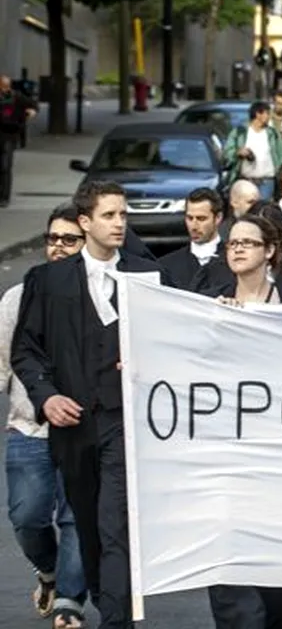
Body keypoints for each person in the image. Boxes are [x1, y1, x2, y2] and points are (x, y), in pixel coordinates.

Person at [11, 181, 171, 629]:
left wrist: (148, 356)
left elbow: (180, 336)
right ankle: (105, 596)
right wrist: (47, 396)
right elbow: (27, 349)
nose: (120, 223)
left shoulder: (148, 275)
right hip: (73, 426)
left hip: (127, 423)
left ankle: (116, 621)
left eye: (123, 215)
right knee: (87, 527)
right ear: (85, 222)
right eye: (109, 215)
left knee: (115, 524)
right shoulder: (47, 280)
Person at [200, 215, 282, 629]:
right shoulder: (206, 304)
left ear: (270, 251)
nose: (238, 249)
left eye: (248, 242)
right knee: (234, 582)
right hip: (227, 461)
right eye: (231, 243)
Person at [0, 204, 88, 627]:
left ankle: (70, 602)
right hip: (28, 426)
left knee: (75, 516)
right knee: (27, 516)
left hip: (83, 427)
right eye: (52, 239)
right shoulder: (18, 296)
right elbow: (5, 360)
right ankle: (50, 573)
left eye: (68, 239)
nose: (57, 247)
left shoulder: (99, 293)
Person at [159, 188, 224, 290]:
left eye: (201, 219)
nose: (194, 226)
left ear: (218, 218)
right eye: (189, 218)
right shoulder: (167, 266)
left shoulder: (233, 261)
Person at [223, 101, 282, 198]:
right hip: (246, 180)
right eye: (267, 113)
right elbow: (227, 153)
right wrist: (238, 153)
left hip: (267, 181)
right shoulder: (240, 132)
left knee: (263, 209)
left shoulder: (272, 133)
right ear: (258, 114)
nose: (269, 117)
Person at [0, 74, 38, 207]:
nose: (5, 89)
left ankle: (4, 197)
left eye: (7, 86)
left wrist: (31, 111)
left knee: (5, 166)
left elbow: (33, 104)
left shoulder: (16, 97)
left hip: (9, 135)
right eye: (3, 87)